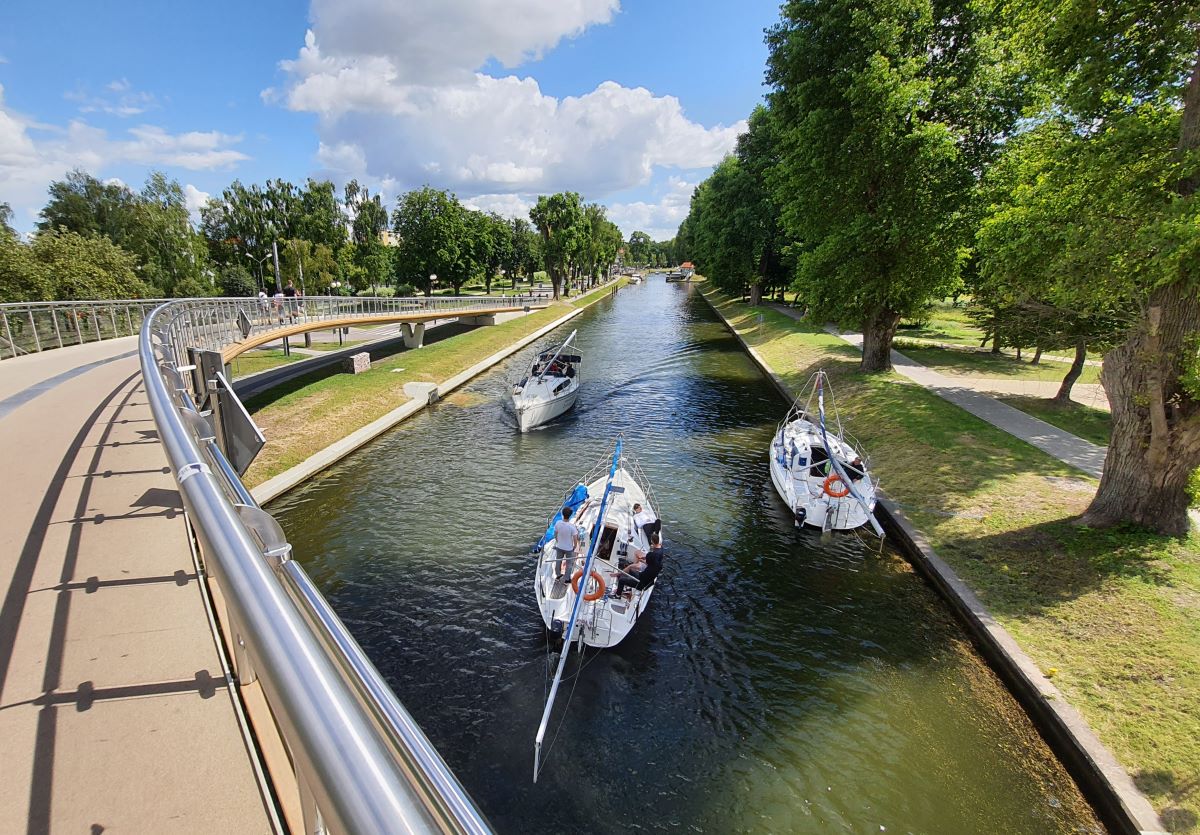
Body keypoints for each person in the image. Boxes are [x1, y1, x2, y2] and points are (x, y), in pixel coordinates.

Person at [612, 533, 664, 598]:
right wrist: (643, 559)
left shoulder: (651, 555)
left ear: (652, 542)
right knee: (630, 569)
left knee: (621, 580)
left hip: (641, 583)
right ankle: (620, 576)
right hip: (644, 577)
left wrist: (643, 559)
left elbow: (648, 560)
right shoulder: (660, 551)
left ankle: (617, 595)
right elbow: (650, 562)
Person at [552, 505, 581, 582]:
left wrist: (558, 541)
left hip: (559, 546)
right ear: (570, 515)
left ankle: (558, 575)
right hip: (569, 548)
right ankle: (567, 579)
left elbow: (555, 534)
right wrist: (574, 546)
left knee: (558, 561)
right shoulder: (572, 527)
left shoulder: (558, 523)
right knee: (569, 564)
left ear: (562, 514)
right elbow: (575, 538)